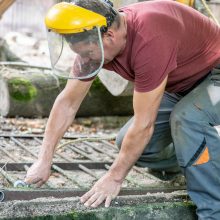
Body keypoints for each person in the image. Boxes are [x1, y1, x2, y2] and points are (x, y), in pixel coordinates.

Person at [25, 0, 220, 219]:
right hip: (181, 84)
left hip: (216, 74)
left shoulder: (150, 38)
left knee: (187, 119)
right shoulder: (94, 43)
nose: (85, 60)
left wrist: (114, 177)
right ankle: (201, 164)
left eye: (88, 54)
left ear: (109, 36)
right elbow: (67, 103)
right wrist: (44, 159)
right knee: (133, 144)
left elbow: (144, 125)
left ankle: (213, 211)